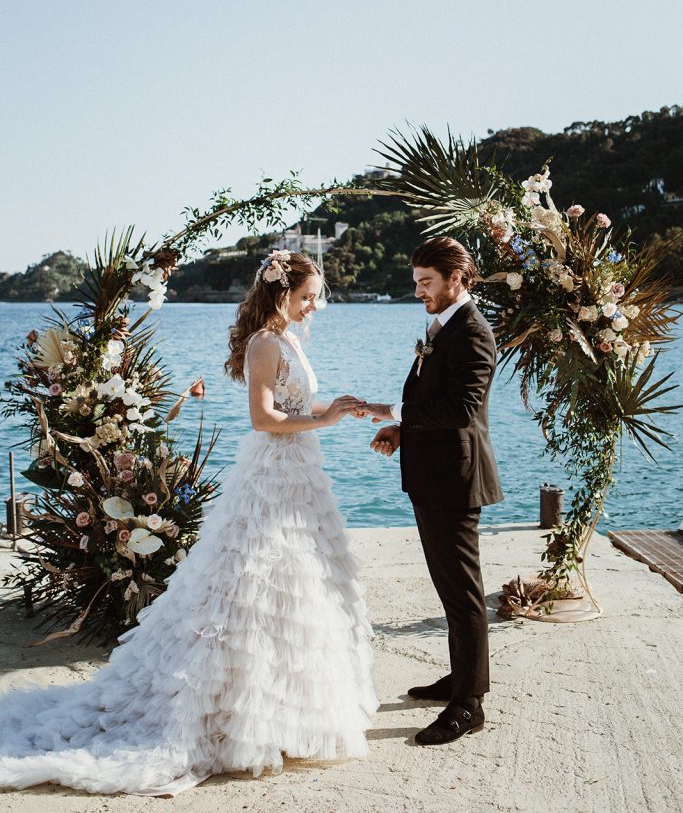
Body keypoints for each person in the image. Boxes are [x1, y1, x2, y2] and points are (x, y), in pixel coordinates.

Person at [0, 250, 377, 795]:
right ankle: (229, 714)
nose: (315, 305)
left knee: (299, 585)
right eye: (308, 296)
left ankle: (284, 713)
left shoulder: (290, 337)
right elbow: (262, 417)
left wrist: (335, 407)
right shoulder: (265, 342)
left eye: (316, 296)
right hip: (272, 474)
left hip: (300, 473)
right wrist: (325, 418)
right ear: (281, 293)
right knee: (254, 580)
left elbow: (295, 401)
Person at [357, 236, 503, 746]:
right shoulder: (443, 325)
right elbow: (431, 397)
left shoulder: (472, 333)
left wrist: (392, 413)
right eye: (416, 282)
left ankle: (469, 704)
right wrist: (401, 430)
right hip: (433, 475)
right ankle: (459, 679)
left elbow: (463, 410)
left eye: (426, 282)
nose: (419, 291)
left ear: (455, 278)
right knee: (448, 588)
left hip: (455, 481)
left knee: (463, 594)